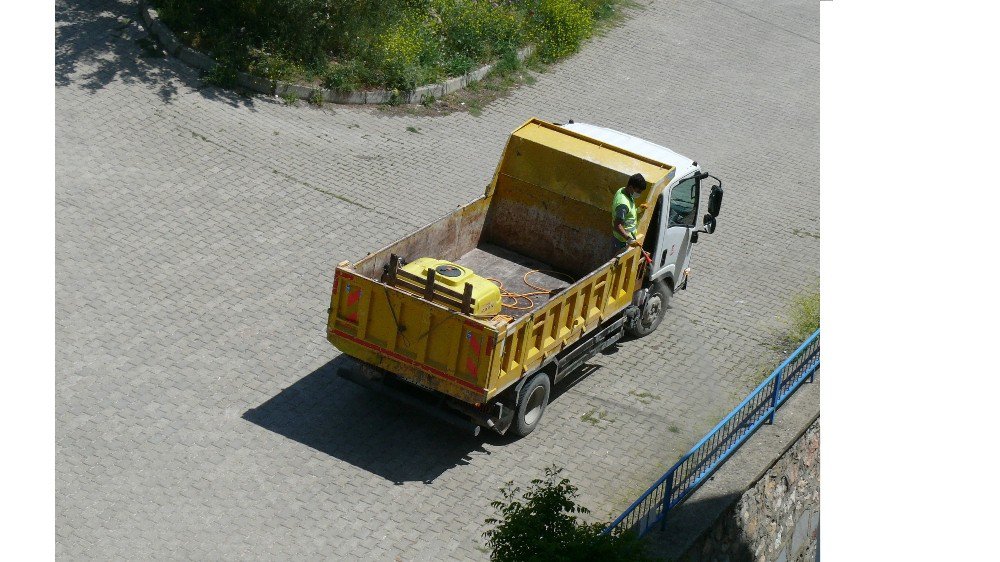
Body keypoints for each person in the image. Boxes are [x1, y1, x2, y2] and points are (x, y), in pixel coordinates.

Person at [612, 173, 647, 251]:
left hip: (626, 238)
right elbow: (617, 226)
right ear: (631, 187)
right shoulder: (623, 205)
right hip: (622, 241)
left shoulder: (623, 190)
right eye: (638, 191)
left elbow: (627, 213)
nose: (639, 194)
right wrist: (629, 240)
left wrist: (638, 210)